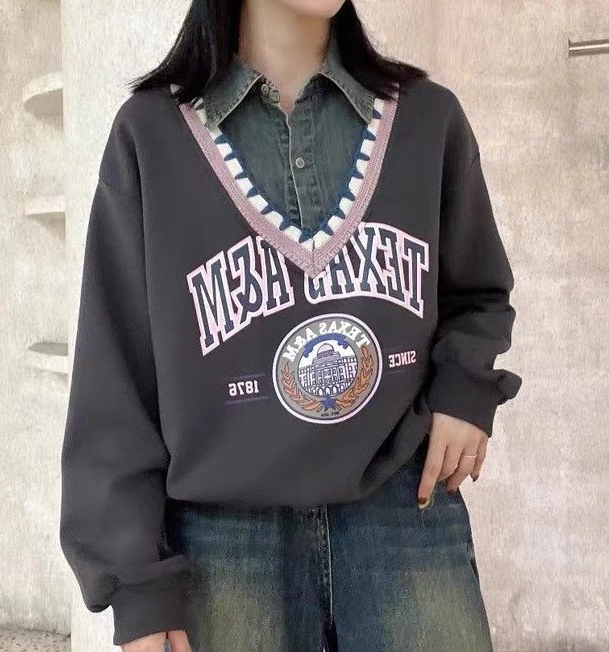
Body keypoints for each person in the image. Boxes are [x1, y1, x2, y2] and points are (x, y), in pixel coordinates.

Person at [58, 1, 522, 651]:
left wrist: (465, 390)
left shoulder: (427, 119)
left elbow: (476, 290)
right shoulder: (151, 134)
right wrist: (135, 583)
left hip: (402, 506)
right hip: (224, 538)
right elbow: (116, 375)